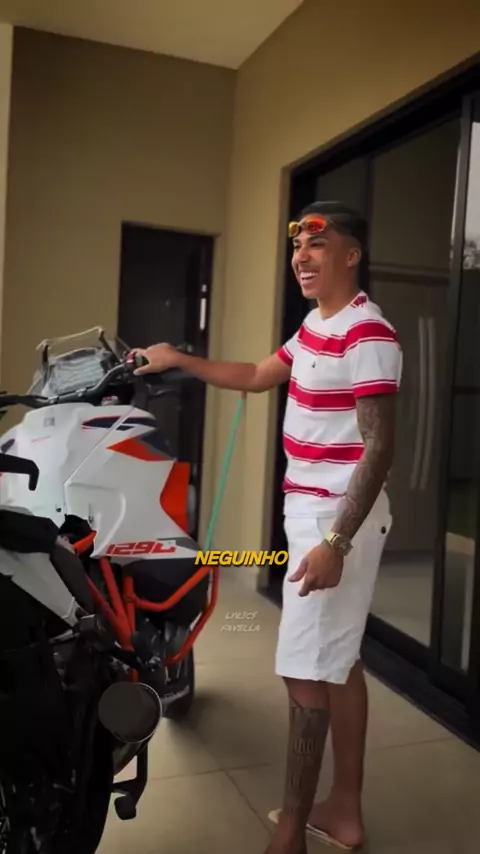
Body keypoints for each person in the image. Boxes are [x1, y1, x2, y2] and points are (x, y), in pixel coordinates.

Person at [131, 200, 403, 854]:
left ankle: (290, 835)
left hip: (337, 518)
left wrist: (335, 542)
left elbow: (380, 445)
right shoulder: (314, 325)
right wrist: (178, 358)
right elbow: (257, 375)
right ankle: (343, 810)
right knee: (339, 663)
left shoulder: (368, 332)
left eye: (317, 243)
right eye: (296, 245)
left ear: (351, 254)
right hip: (315, 512)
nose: (301, 257)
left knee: (303, 672)